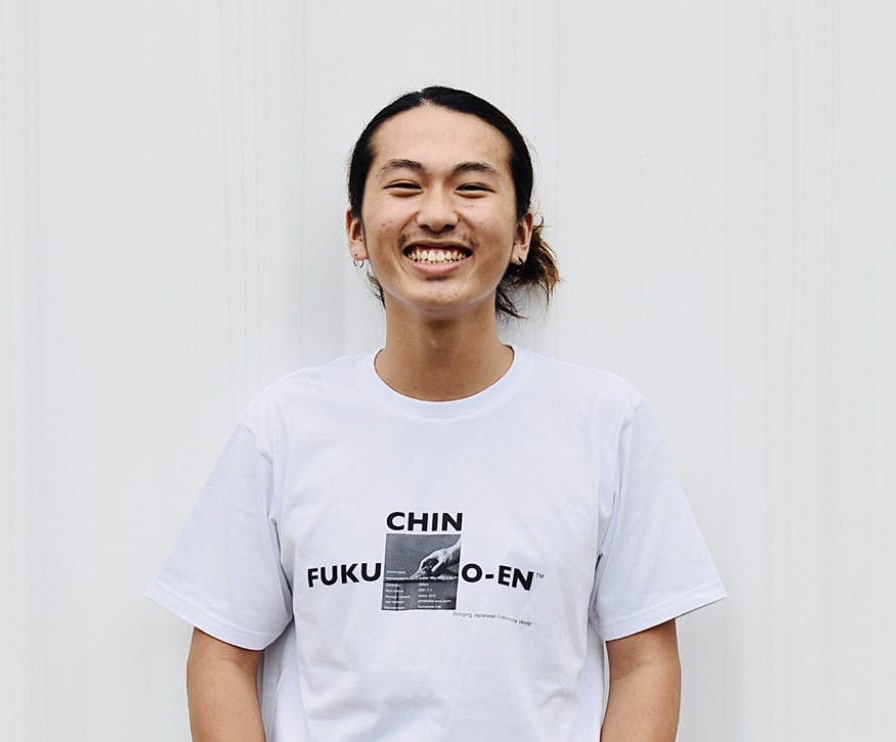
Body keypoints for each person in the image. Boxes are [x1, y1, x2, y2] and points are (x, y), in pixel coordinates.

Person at [145, 85, 727, 741]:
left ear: (521, 234)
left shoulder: (603, 421)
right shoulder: (285, 424)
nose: (438, 213)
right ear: (356, 232)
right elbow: (222, 655)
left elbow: (644, 661)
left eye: (471, 187)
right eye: (405, 186)